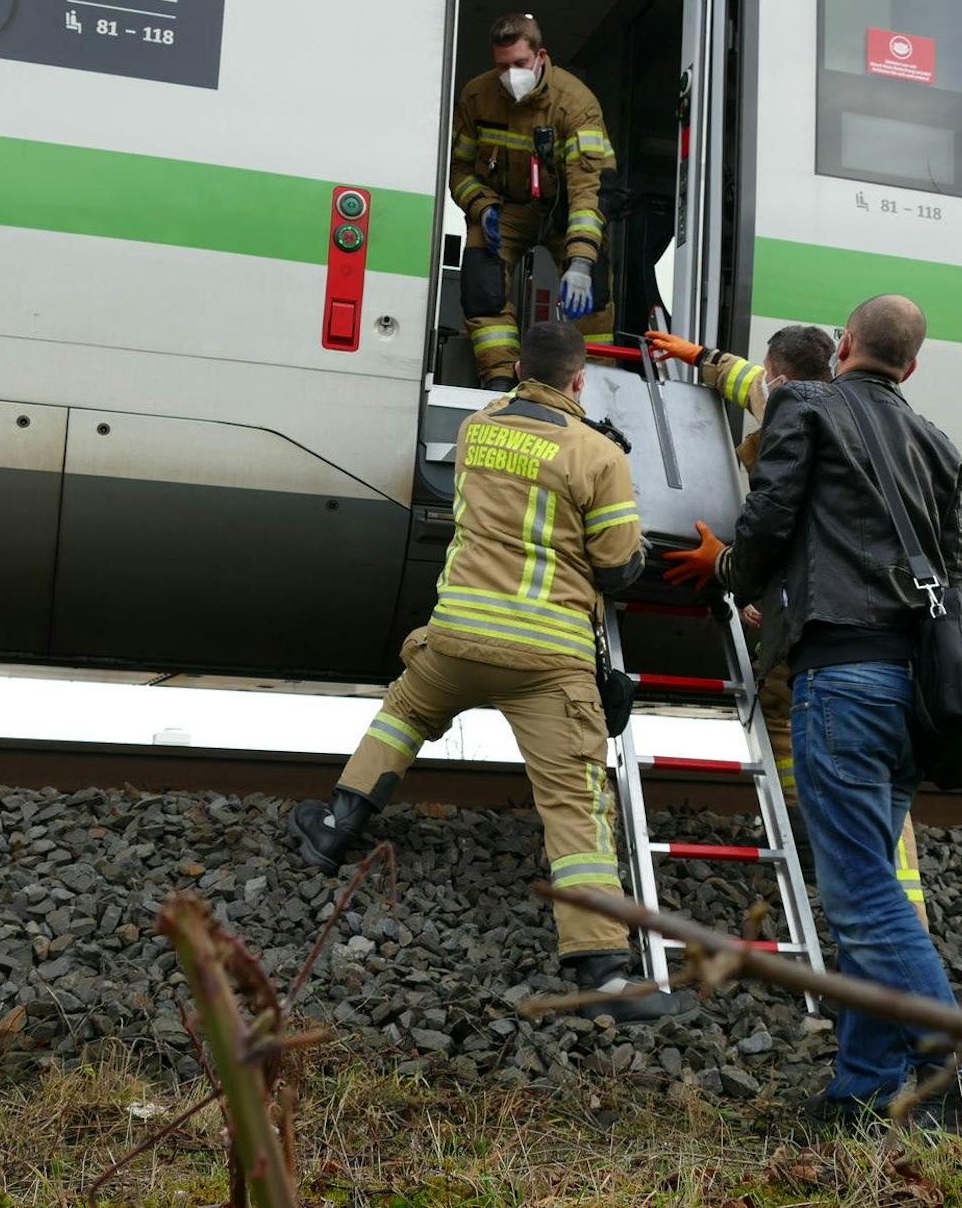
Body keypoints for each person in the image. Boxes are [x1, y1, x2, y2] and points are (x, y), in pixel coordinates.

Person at [657, 295, 962, 1138]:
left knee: (860, 897)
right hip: (916, 693)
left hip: (843, 680)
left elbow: (770, 518)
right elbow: (955, 572)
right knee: (871, 884)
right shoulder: (938, 443)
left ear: (844, 344)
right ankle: (863, 1087)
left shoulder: (805, 404)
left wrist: (729, 569)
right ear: (911, 366)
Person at [288, 321, 692, 1024]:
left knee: (405, 712)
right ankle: (601, 972)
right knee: (575, 800)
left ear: (520, 369)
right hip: (546, 659)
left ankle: (334, 825)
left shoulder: (477, 430)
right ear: (579, 379)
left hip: (458, 637)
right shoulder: (597, 454)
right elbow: (617, 566)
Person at [645, 324, 928, 930]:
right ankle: (892, 907)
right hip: (886, 636)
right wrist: (704, 358)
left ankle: (853, 886)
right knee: (871, 782)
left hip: (821, 630)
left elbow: (782, 527)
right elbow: (753, 382)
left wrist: (731, 570)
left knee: (809, 737)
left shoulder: (795, 414)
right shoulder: (891, 424)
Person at [449, 13, 618, 391]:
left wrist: (580, 262)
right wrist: (481, 206)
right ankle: (499, 380)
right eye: (502, 66)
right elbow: (459, 168)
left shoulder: (576, 103)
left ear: (540, 56)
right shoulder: (477, 97)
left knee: (593, 293)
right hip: (504, 207)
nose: (511, 75)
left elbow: (586, 192)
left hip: (567, 207)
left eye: (520, 64)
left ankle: (593, 388)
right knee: (482, 285)